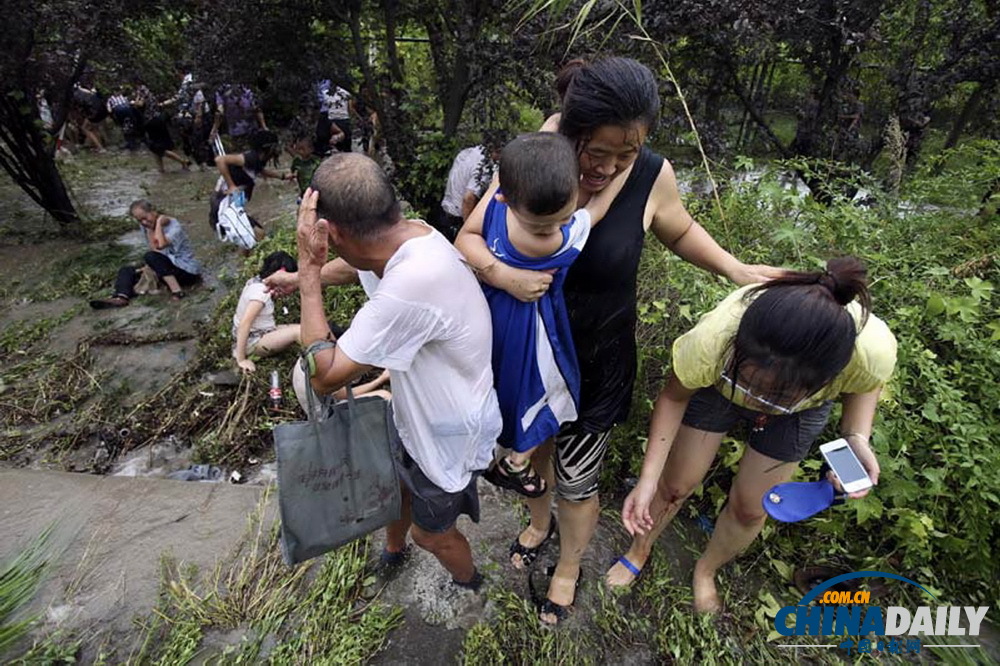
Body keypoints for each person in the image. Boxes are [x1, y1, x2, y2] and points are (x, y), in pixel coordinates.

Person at [455, 56, 781, 625]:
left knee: (578, 480)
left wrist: (732, 267)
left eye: (624, 155)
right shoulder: (534, 164)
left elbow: (676, 225)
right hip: (527, 360)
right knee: (534, 454)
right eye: (596, 152)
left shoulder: (651, 174)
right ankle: (537, 523)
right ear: (571, 129)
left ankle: (568, 566)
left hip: (597, 363)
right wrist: (502, 275)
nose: (606, 168)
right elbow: (470, 235)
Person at [616, 257, 896, 613]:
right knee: (674, 485)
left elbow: (864, 389)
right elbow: (673, 397)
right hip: (719, 389)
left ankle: (706, 570)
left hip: (799, 412)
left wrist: (857, 439)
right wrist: (647, 479)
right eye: (750, 382)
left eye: (774, 393)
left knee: (752, 507)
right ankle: (638, 550)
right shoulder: (714, 340)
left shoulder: (869, 350)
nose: (756, 400)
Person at [277, 153, 501, 591]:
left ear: (332, 233)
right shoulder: (409, 235)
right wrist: (313, 274)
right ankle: (394, 550)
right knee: (393, 482)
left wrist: (307, 271)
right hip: (414, 409)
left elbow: (325, 375)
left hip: (448, 430)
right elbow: (357, 265)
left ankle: (472, 585)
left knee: (431, 533)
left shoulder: (413, 282)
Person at [473, 132, 618, 500]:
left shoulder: (495, 209)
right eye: (541, 225)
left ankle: (500, 453)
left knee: (501, 387)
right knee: (553, 392)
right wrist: (625, 168)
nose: (551, 229)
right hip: (532, 327)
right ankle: (517, 461)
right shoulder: (559, 242)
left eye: (562, 219)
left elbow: (465, 238)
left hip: (488, 316)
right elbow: (599, 208)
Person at [90, 200, 201, 308]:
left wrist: (158, 224)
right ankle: (121, 297)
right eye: (139, 221)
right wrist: (150, 229)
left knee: (150, 256)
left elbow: (160, 245)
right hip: (166, 268)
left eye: (145, 218)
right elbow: (155, 250)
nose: (143, 222)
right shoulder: (146, 227)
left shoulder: (174, 225)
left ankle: (177, 292)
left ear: (152, 211)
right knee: (126, 270)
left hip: (187, 271)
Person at [233, 251, 301, 373]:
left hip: (263, 331)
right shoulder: (261, 294)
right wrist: (241, 360)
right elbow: (245, 324)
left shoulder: (256, 282)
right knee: (299, 332)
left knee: (305, 329)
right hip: (253, 341)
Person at [211, 129, 283, 234]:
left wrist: (283, 176)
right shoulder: (249, 158)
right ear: (267, 148)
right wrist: (231, 186)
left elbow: (260, 171)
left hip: (230, 205)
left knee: (256, 235)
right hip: (223, 205)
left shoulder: (258, 160)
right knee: (258, 234)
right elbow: (220, 160)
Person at [436, 133, 504, 242]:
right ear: (497, 151)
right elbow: (468, 198)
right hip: (458, 219)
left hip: (445, 212)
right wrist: (468, 231)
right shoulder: (484, 166)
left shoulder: (468, 152)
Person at [210, 83, 266, 151]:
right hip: (251, 129)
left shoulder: (222, 90)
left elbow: (220, 112)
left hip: (236, 132)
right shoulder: (246, 88)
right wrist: (264, 127)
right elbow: (257, 108)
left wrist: (214, 129)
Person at [314, 79, 354, 154]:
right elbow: (350, 109)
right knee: (347, 150)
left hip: (330, 120)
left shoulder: (324, 93)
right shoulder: (346, 92)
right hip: (344, 120)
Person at [285, 128, 323, 198]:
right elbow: (292, 170)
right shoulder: (296, 161)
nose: (300, 151)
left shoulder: (316, 161)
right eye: (298, 149)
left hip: (315, 190)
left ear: (311, 149)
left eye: (302, 149)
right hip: (302, 189)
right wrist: (291, 177)